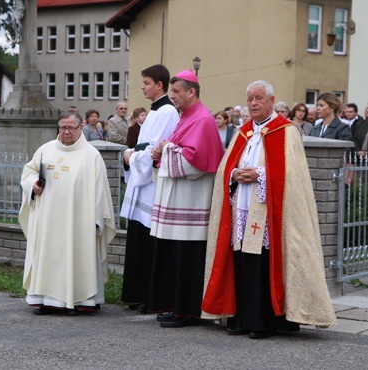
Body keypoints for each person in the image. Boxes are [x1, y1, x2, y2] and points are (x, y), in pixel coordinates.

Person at [202, 80, 337, 339]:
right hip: (241, 207)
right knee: (241, 262)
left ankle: (263, 322)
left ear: (271, 101)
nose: (253, 103)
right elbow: (224, 169)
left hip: (268, 214)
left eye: (259, 98)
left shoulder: (286, 132)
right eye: (250, 98)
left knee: (263, 265)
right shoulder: (242, 132)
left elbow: (293, 177)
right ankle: (240, 318)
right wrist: (233, 174)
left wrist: (260, 175)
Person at [148, 70, 225, 327]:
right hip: (180, 202)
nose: (172, 97)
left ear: (191, 92)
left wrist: (165, 148)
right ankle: (176, 307)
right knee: (176, 257)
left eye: (176, 92)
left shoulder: (202, 119)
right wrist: (166, 147)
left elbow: (194, 162)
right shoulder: (187, 117)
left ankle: (189, 311)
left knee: (188, 259)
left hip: (192, 203)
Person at [19, 110, 116, 315]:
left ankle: (80, 299)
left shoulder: (91, 155)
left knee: (77, 256)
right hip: (47, 218)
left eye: (71, 127)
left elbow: (100, 190)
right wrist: (32, 186)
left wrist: (98, 220)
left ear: (81, 128)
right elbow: (29, 172)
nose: (66, 132)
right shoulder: (46, 150)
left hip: (78, 222)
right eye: (62, 127)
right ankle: (45, 300)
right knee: (47, 256)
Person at [119, 64, 179, 312]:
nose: (142, 87)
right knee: (138, 239)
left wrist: (131, 156)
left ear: (159, 85)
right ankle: (138, 293)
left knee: (149, 241)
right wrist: (133, 153)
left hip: (151, 185)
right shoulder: (154, 111)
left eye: (146, 83)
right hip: (141, 183)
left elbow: (156, 150)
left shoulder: (167, 112)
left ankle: (151, 297)